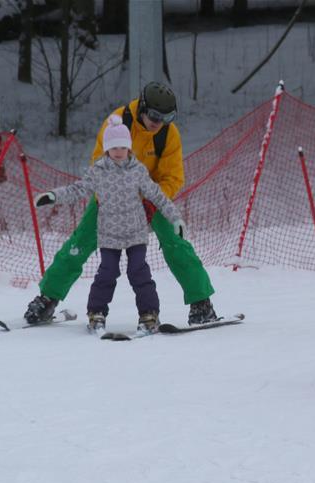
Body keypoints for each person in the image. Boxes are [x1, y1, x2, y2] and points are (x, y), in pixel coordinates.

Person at [23, 82, 219, 327]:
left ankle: (201, 303)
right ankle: (48, 298)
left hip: (151, 197)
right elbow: (99, 164)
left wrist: (149, 203)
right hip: (111, 197)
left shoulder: (168, 134)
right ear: (143, 108)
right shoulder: (117, 123)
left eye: (166, 117)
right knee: (79, 243)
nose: (159, 122)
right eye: (154, 115)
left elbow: (173, 177)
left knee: (176, 244)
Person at [34, 116, 184, 333]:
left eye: (123, 147)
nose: (119, 152)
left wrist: (175, 218)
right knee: (107, 273)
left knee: (139, 272)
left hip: (135, 233)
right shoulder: (98, 171)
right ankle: (96, 313)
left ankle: (149, 314)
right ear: (107, 149)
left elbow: (158, 196)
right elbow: (78, 190)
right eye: (114, 148)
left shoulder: (138, 170)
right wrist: (53, 196)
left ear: (129, 148)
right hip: (109, 235)